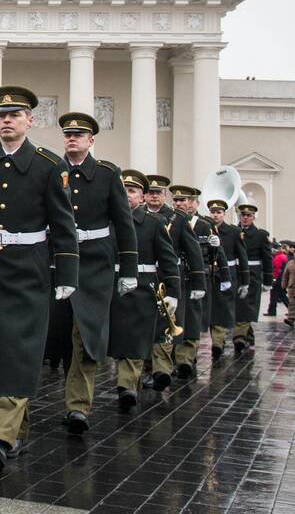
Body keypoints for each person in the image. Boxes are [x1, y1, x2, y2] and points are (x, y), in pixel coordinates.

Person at [0, 86, 78, 471]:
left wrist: (67, 273)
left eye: (14, 115)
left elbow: (63, 224)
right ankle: (17, 430)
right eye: (1, 115)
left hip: (28, 266)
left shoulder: (48, 164)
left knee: (20, 348)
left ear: (30, 120)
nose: (6, 120)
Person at [52, 113, 137, 437]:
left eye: (79, 134)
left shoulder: (106, 174)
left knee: (85, 334)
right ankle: (70, 396)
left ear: (91, 140)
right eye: (68, 134)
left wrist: (128, 268)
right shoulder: (52, 170)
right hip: (58, 260)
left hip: (94, 264)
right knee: (60, 334)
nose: (72, 138)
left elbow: (124, 223)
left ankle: (78, 406)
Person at [108, 170, 179, 412]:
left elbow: (168, 261)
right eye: (124, 190)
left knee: (134, 338)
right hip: (111, 285)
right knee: (116, 337)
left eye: (133, 191)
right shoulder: (107, 221)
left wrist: (173, 292)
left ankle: (127, 386)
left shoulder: (154, 223)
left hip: (141, 287)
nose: (127, 195)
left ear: (141, 197)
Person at [143, 175, 203, 390]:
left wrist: (198, 284)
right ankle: (146, 368)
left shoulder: (177, 218)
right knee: (144, 323)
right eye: (150, 192)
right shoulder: (137, 215)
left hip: (169, 278)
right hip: (146, 277)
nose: (154, 196)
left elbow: (193, 252)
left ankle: (161, 370)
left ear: (164, 195)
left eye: (158, 193)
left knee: (165, 323)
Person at [169, 186, 213, 378]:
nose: (179, 204)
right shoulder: (168, 220)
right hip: (175, 275)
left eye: (183, 200)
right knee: (173, 317)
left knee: (192, 318)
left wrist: (214, 248)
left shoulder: (203, 225)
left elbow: (208, 256)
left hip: (193, 275)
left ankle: (186, 358)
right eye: (176, 200)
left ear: (192, 203)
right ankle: (173, 356)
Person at [207, 199, 249, 360]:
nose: (215, 215)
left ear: (224, 214)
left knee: (223, 308)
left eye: (218, 212)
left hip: (228, 274)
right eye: (213, 212)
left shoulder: (232, 231)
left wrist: (245, 281)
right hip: (210, 274)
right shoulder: (204, 228)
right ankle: (217, 340)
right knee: (211, 309)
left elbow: (242, 257)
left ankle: (218, 342)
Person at [234, 204, 272, 351]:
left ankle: (240, 337)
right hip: (236, 272)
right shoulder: (233, 231)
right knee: (239, 305)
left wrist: (268, 281)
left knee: (247, 305)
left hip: (253, 274)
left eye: (248, 215)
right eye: (243, 215)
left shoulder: (261, 235)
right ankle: (247, 335)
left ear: (253, 217)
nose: (245, 218)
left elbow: (267, 258)